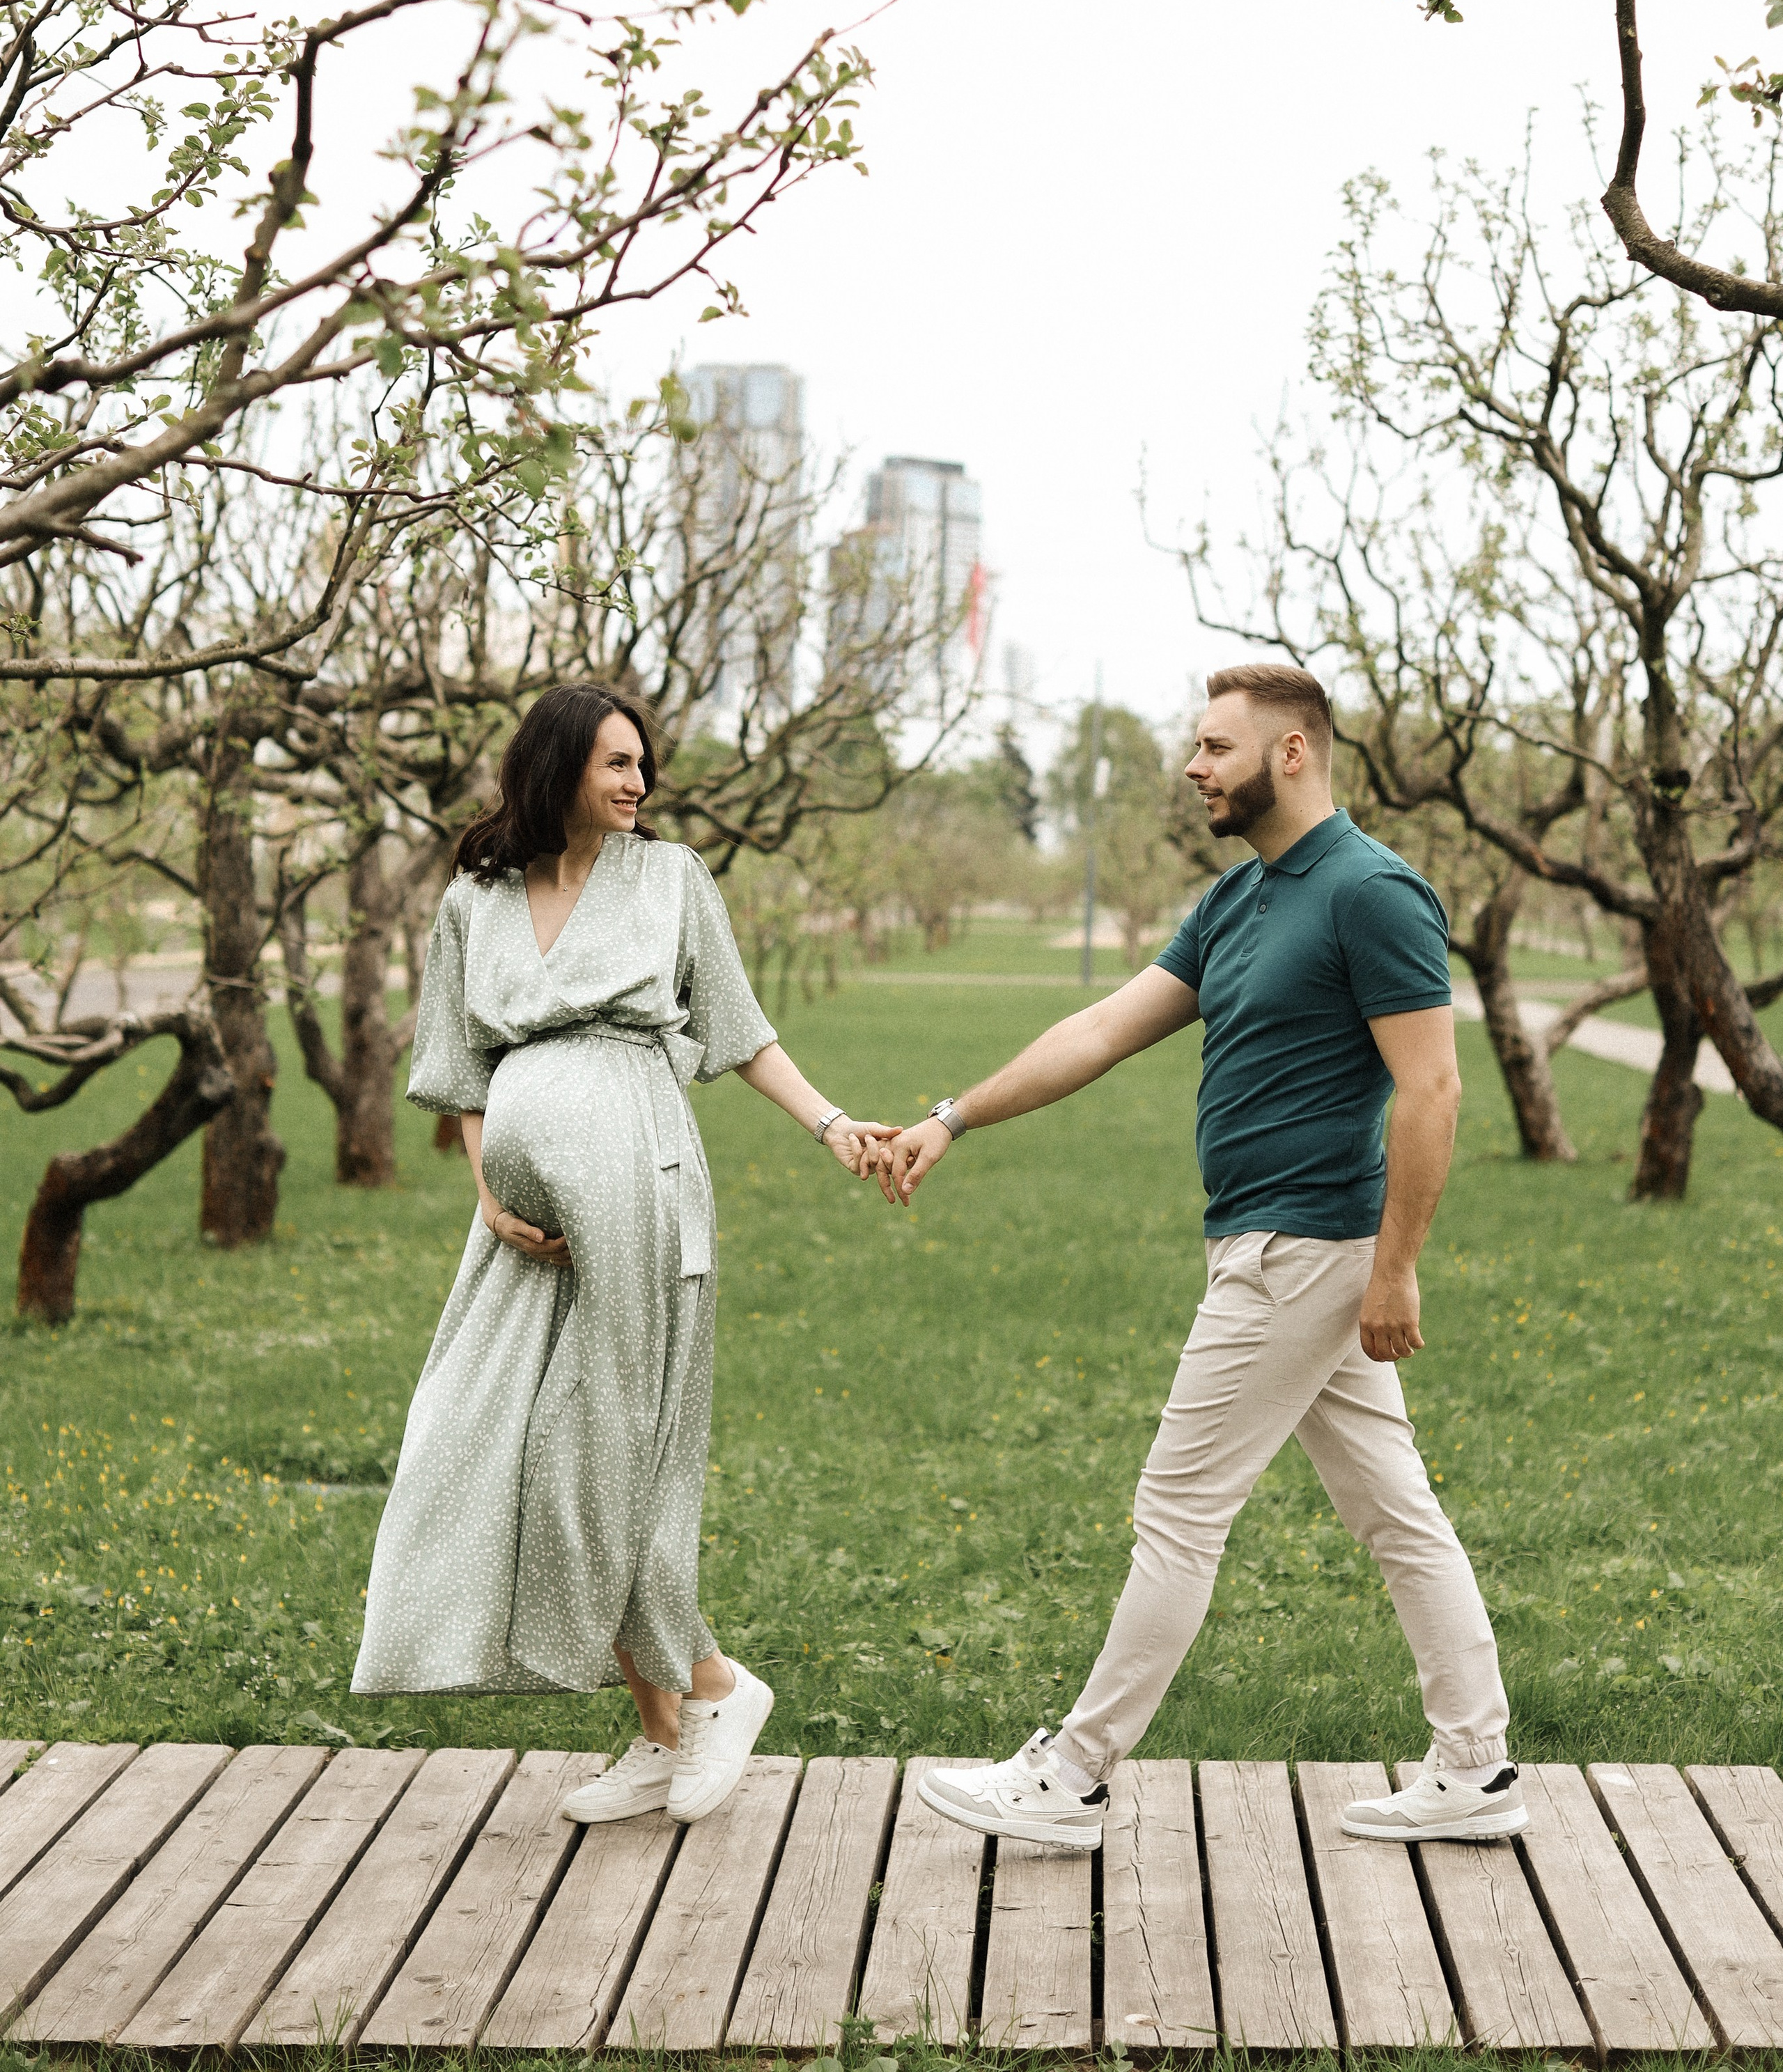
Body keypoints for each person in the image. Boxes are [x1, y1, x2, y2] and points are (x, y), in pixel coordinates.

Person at [878, 662, 1523, 1850]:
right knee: (1397, 1511)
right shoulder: (1239, 901)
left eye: (1215, 747)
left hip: (1304, 1248)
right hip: (1272, 1244)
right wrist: (953, 1117)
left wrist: (1395, 1268)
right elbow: (1102, 1028)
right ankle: (1477, 1768)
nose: (1193, 766)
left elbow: (1432, 1085)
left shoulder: (1372, 893)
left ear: (1291, 754)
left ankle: (1073, 1776)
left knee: (1178, 1507)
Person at [352, 683, 893, 1827]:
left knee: (599, 1459)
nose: (639, 782)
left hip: (642, 1183)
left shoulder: (671, 880)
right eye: (615, 764)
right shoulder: (476, 901)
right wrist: (489, 1192)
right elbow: (458, 1068)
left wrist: (835, 1125)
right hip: (523, 1226)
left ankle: (706, 1692)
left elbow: (742, 1031)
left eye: (643, 764)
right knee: (480, 1438)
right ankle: (669, 1721)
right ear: (556, 769)